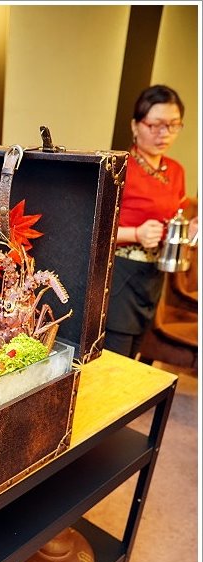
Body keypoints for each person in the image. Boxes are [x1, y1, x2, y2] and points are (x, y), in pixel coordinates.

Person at [104, 84, 198, 359]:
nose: (164, 133)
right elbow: (93, 230)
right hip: (120, 274)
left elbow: (173, 221)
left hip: (155, 276)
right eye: (155, 125)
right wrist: (135, 233)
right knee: (116, 360)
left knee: (136, 356)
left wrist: (190, 230)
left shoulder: (175, 170)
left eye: (173, 125)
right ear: (135, 125)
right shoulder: (117, 167)